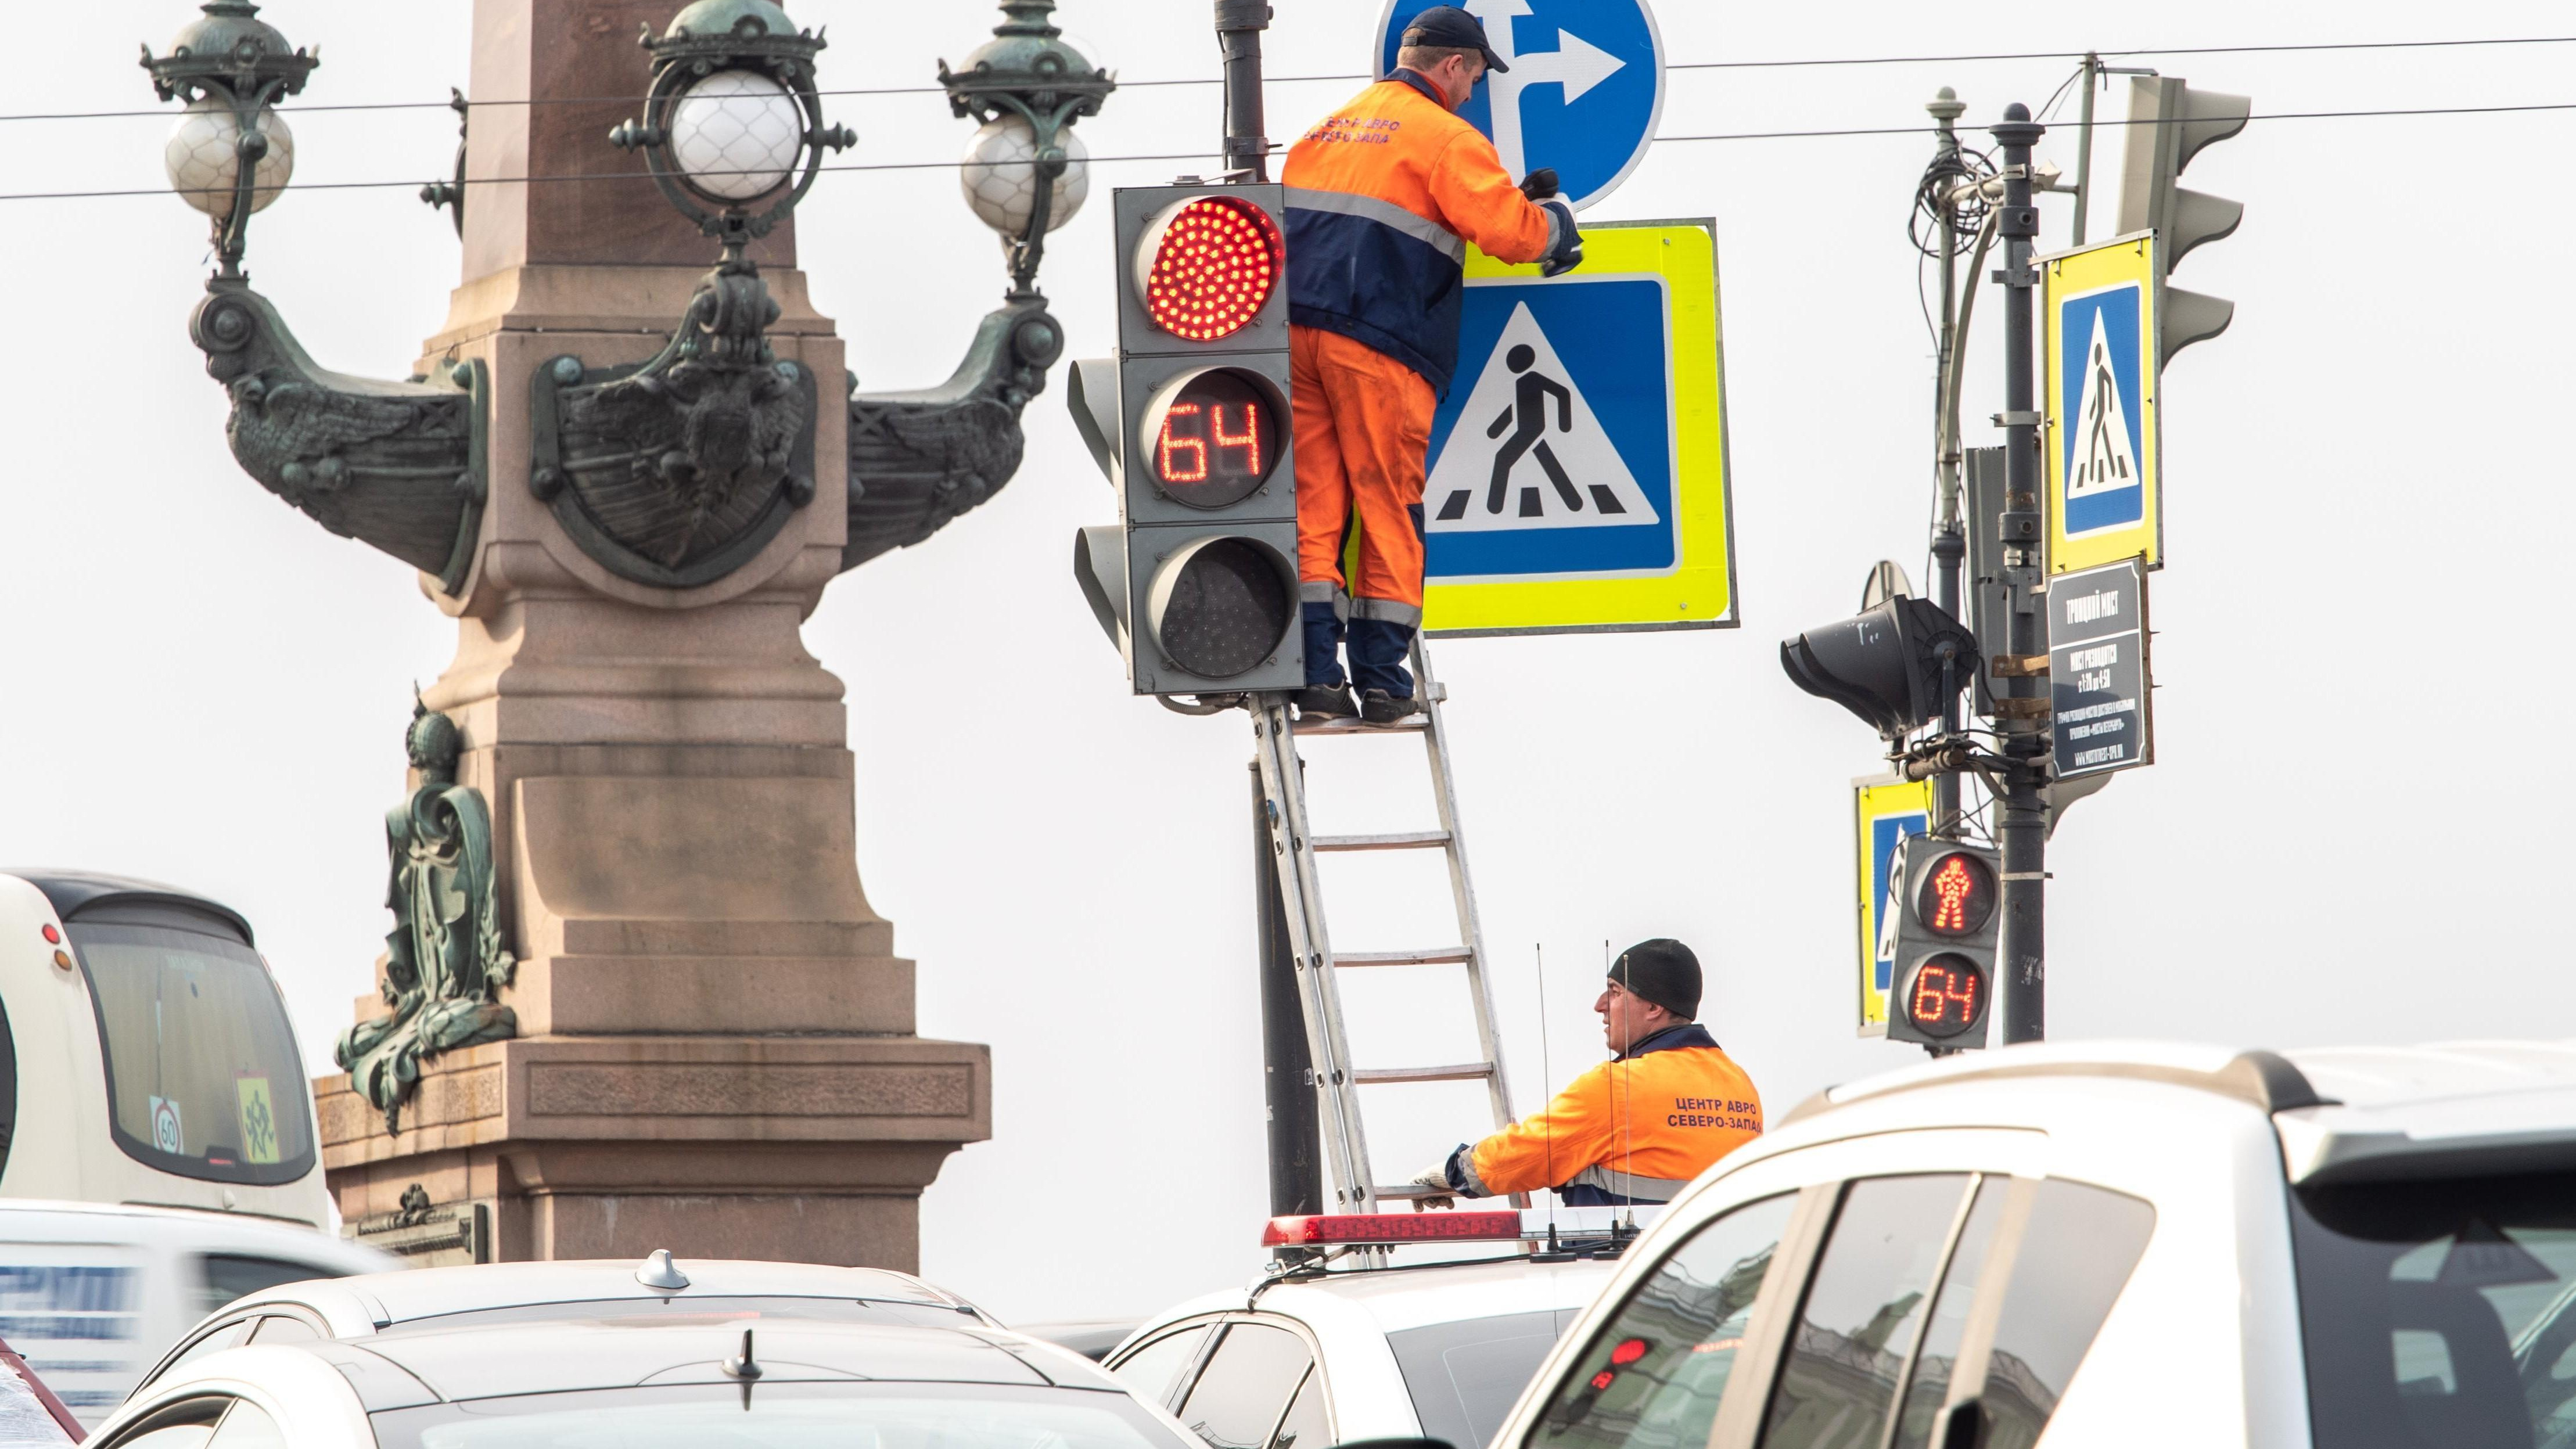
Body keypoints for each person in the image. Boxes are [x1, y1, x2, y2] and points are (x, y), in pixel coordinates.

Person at [1282, 5, 1585, 724]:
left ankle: (1314, 675)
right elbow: (1509, 234)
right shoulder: (1448, 138)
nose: (1475, 91)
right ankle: (1384, 679)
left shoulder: (1326, 129)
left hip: (1295, 338)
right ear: (1451, 65)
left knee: (1314, 507)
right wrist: (1557, 222)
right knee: (1387, 502)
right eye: (1476, 75)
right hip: (1379, 340)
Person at [1412, 939, 1762, 1207]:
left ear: (1654, 1008)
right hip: (1717, 1287)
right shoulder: (1740, 1086)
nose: (1600, 1005)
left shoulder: (1620, 1087)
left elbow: (1529, 1151)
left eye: (1615, 992)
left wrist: (1452, 1173)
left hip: (1621, 1279)